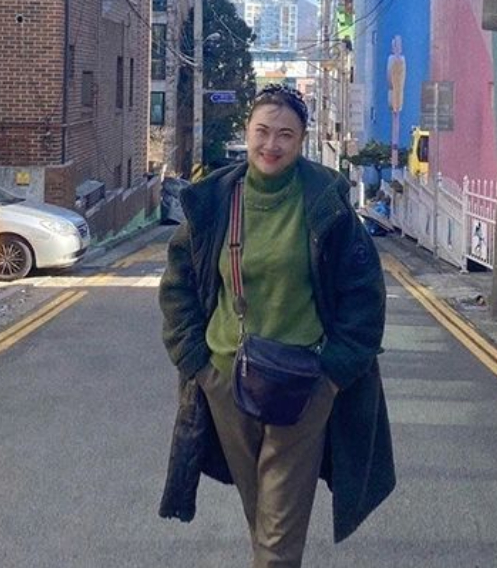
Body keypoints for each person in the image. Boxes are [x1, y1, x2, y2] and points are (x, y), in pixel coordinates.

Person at [158, 84, 395, 567]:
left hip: (304, 387)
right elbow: (178, 285)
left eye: (285, 134)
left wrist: (332, 376)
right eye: (262, 131)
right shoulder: (216, 201)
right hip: (226, 381)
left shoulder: (325, 203)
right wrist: (199, 366)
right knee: (263, 518)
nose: (271, 144)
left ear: (302, 140)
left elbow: (364, 296)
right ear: (247, 131)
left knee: (279, 531)